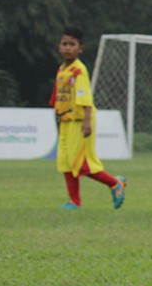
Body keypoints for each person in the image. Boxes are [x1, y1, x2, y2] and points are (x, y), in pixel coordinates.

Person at [50, 27, 127, 210]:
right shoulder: (61, 70)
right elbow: (59, 97)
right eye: (64, 44)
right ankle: (74, 202)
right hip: (67, 123)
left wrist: (86, 120)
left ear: (80, 49)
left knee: (82, 165)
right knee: (65, 163)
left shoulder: (79, 70)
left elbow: (85, 97)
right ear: (59, 47)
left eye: (72, 44)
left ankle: (115, 184)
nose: (67, 48)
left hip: (80, 122)